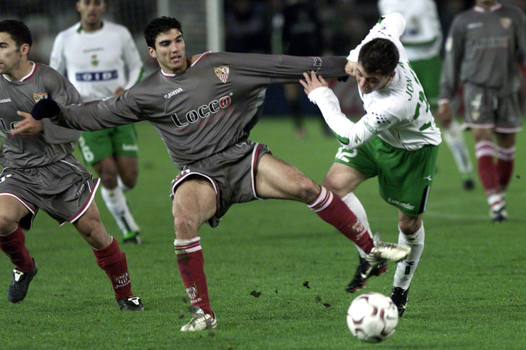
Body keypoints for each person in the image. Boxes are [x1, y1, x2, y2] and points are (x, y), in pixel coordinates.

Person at [18, 16, 410, 332]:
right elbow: (96, 114)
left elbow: (276, 66)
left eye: (178, 40)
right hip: (199, 172)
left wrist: (341, 65)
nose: (175, 49)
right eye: (166, 44)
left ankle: (369, 246)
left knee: (307, 186)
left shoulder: (217, 66)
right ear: (153, 53)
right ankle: (203, 312)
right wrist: (56, 114)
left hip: (240, 158)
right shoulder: (146, 94)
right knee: (184, 220)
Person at [300, 12, 442, 317]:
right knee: (332, 189)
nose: (362, 84)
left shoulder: (395, 102)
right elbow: (395, 17)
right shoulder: (385, 41)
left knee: (408, 224)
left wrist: (323, 96)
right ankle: (370, 252)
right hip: (379, 139)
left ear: (390, 76)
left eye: (372, 80)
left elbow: (350, 137)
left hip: (413, 151)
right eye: (360, 75)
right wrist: (354, 56)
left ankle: (400, 290)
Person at [0, 19, 143, 311]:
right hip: (19, 169)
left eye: (2, 46)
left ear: (23, 49)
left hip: (59, 167)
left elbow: (77, 121)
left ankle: (125, 295)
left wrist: (42, 128)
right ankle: (25, 267)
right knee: (1, 218)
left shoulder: (50, 80)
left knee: (95, 234)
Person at [437, 0, 526, 221]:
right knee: (481, 135)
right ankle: (495, 202)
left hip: (507, 88)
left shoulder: (514, 16)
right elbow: (451, 61)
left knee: (506, 142)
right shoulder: (463, 21)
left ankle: (498, 194)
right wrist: (445, 98)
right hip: (476, 88)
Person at [49, 0, 144, 244]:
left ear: (104, 6)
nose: (92, 8)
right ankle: (129, 229)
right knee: (108, 175)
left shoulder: (119, 34)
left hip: (120, 112)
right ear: (78, 5)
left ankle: (118, 199)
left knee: (129, 178)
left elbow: (136, 66)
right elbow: (53, 76)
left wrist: (128, 91)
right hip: (86, 117)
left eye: (97, 3)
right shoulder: (64, 39)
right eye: (87, 2)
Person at [378, 0, 475, 190]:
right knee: (399, 117)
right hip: (401, 64)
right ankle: (420, 162)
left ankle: (466, 171)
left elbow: (432, 38)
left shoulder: (422, 2)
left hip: (428, 63)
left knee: (444, 117)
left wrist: (401, 39)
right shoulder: (385, 2)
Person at [281, 0, 330, 138]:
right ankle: (299, 127)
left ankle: (325, 126)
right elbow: (281, 37)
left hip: (312, 59)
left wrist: (324, 51)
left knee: (319, 91)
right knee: (292, 93)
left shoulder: (312, 9)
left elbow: (321, 32)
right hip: (293, 59)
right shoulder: (287, 11)